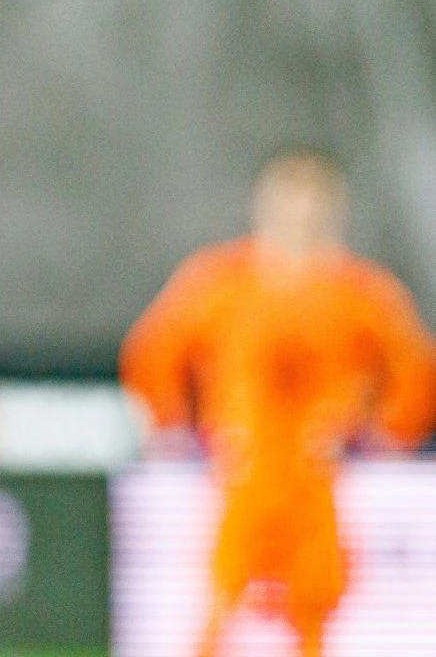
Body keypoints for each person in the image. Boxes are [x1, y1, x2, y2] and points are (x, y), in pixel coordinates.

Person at [120, 149, 436, 657]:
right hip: (243, 470)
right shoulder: (220, 281)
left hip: (319, 474)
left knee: (315, 607)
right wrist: (174, 424)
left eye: (312, 212)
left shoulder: (363, 292)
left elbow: (414, 370)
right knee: (222, 599)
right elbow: (153, 352)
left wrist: (386, 435)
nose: (300, 224)